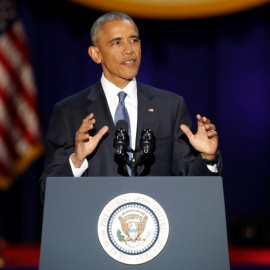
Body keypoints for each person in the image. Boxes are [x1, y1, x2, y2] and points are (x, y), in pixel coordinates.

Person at [40, 12, 222, 199]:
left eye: (134, 40)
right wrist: (77, 161)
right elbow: (49, 191)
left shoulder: (170, 106)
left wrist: (207, 158)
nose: (129, 50)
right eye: (117, 42)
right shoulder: (69, 111)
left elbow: (191, 185)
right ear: (96, 54)